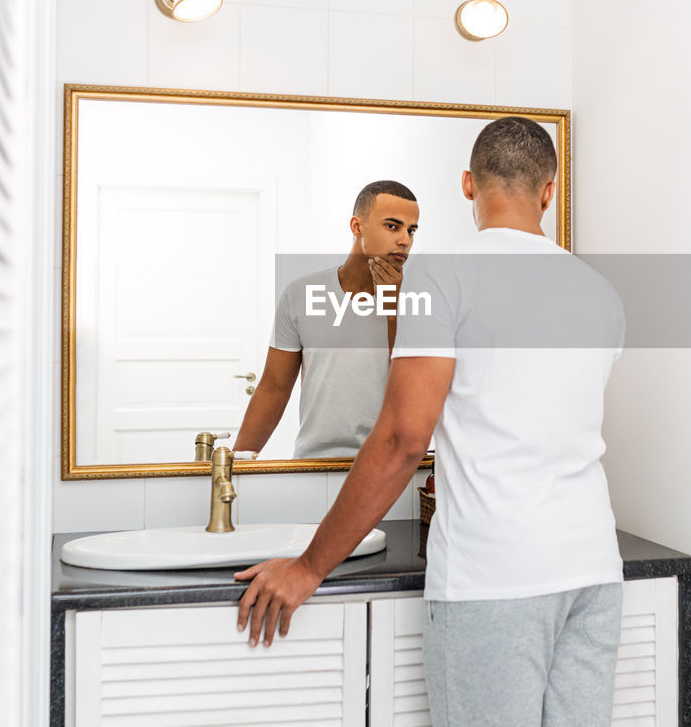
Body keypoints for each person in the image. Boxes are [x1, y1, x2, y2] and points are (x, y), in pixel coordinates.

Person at [233, 117, 627, 726]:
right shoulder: (600, 291)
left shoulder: (442, 273)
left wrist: (310, 566)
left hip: (495, 575)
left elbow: (400, 438)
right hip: (594, 569)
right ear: (547, 191)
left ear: (469, 184)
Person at [232, 180, 419, 459]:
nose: (405, 239)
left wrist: (392, 306)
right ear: (358, 227)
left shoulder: (423, 296)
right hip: (312, 463)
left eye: (411, 230)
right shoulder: (301, 294)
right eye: (393, 226)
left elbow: (414, 386)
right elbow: (274, 388)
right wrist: (236, 463)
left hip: (388, 467)